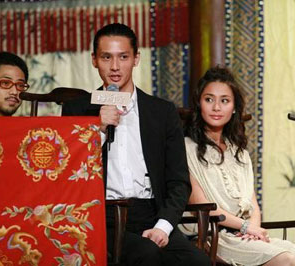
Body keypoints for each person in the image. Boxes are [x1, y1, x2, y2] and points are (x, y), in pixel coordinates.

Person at [62, 23, 210, 266]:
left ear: (136, 58)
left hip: (152, 213)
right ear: (94, 60)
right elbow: (68, 172)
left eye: (123, 57)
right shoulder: (78, 109)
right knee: (146, 254)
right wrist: (97, 129)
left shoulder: (161, 112)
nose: (115, 66)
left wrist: (163, 227)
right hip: (103, 217)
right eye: (106, 57)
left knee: (198, 262)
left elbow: (178, 181)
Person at [184, 66, 295, 266]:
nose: (217, 107)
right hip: (211, 234)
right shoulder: (186, 147)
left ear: (234, 107)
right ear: (199, 103)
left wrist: (252, 230)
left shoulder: (240, 153)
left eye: (225, 101)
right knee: (286, 260)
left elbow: (252, 203)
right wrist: (246, 227)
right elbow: (201, 206)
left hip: (243, 233)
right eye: (209, 99)